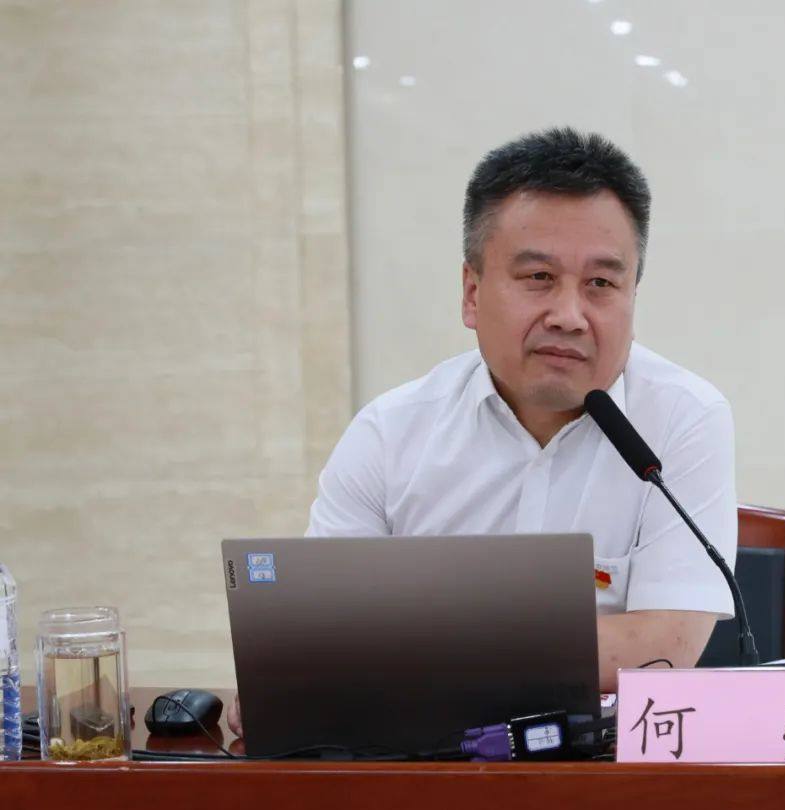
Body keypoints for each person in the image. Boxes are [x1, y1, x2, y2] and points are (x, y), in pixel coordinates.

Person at [227, 128, 736, 738]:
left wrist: (409, 650)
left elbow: (664, 648)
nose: (569, 316)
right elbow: (317, 641)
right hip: (422, 766)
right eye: (538, 277)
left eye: (601, 284)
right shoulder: (391, 432)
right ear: (472, 293)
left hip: (599, 772)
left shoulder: (683, 418)